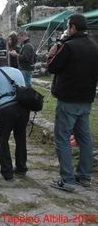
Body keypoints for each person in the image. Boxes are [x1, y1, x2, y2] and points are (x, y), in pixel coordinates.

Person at [47, 14, 98, 191]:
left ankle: (67, 179)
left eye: (69, 26)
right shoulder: (94, 46)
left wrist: (53, 51)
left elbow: (52, 67)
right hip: (86, 99)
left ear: (73, 27)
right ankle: (84, 176)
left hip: (68, 99)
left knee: (62, 139)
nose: (68, 29)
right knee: (84, 139)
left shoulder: (68, 46)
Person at [0, 57, 30, 181]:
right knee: (20, 137)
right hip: (23, 107)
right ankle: (21, 167)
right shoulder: (17, 71)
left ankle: (7, 172)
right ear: (8, 64)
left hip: (6, 108)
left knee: (4, 138)